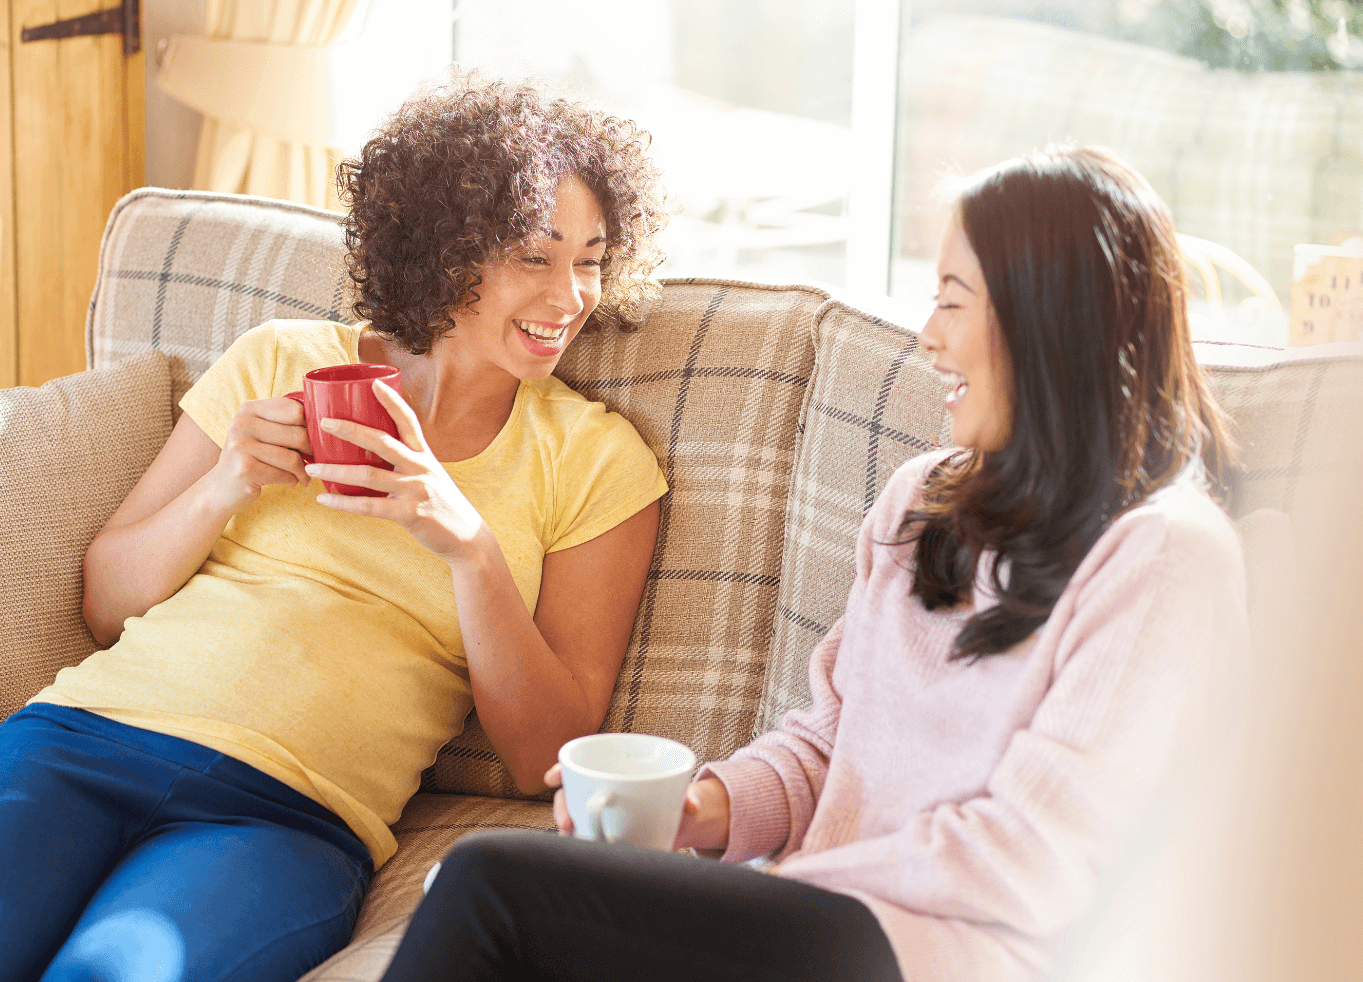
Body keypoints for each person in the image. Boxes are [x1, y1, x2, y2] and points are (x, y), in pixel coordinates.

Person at [0, 73, 670, 982]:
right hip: (74, 743)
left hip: (285, 817)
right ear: (446, 251)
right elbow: (104, 601)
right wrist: (225, 482)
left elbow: (545, 759)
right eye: (536, 256)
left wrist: (469, 549)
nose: (572, 296)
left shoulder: (597, 460)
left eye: (592, 259)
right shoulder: (283, 359)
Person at [376, 145, 1249, 982]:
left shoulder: (1165, 552)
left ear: (1045, 316)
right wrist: (694, 815)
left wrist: (772, 890)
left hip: (950, 958)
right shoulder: (923, 500)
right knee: (493, 911)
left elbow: (1033, 858)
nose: (929, 338)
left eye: (952, 299)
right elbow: (829, 745)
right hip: (822, 934)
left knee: (495, 889)